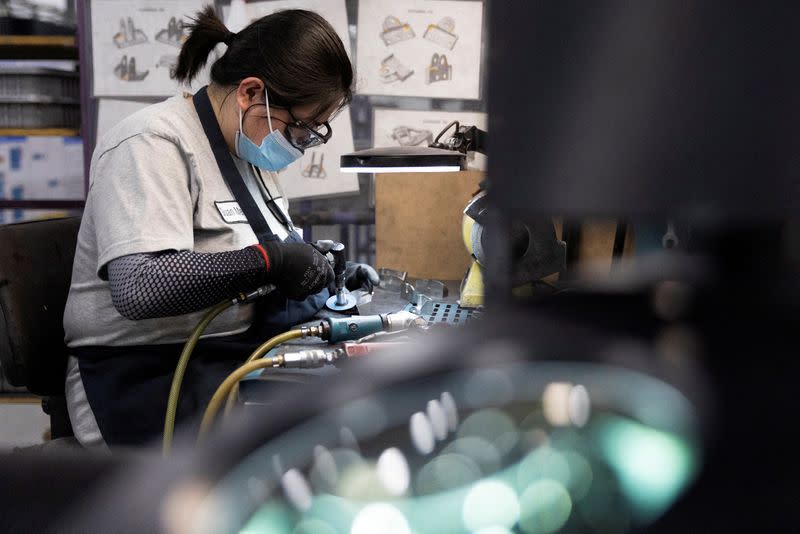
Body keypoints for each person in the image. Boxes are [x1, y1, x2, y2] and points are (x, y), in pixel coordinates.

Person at [63, 6, 378, 449]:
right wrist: (269, 262)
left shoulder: (249, 152)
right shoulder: (151, 143)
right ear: (251, 92)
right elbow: (139, 286)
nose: (301, 145)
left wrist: (325, 277)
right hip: (148, 375)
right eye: (302, 128)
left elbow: (259, 257)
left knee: (351, 413)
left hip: (229, 354)